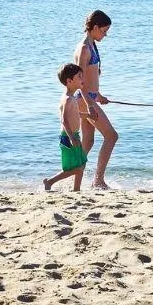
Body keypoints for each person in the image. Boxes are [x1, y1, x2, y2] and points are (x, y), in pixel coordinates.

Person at [74, 10, 118, 190]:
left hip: (89, 99)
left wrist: (98, 96)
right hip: (85, 101)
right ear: (95, 27)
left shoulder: (92, 45)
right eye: (104, 31)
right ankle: (98, 181)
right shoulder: (84, 48)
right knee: (111, 136)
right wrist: (91, 103)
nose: (105, 35)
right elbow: (79, 81)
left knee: (88, 142)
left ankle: (74, 178)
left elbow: (90, 77)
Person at [43, 63, 89, 192]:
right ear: (69, 81)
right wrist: (71, 138)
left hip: (74, 135)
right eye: (79, 76)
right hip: (68, 137)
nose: (82, 79)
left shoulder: (72, 97)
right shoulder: (67, 99)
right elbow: (64, 120)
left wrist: (88, 115)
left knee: (82, 164)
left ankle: (76, 190)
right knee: (75, 168)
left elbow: (76, 114)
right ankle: (50, 181)